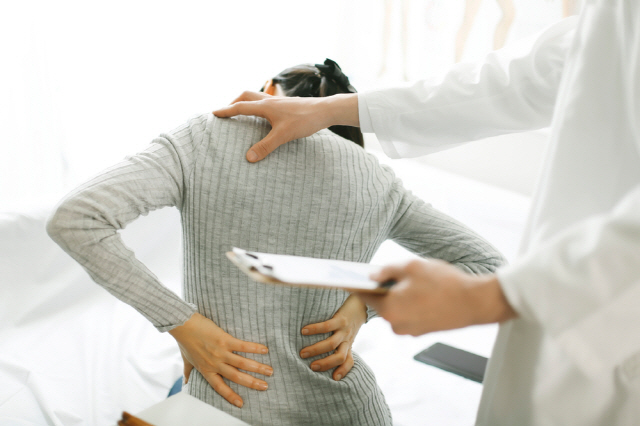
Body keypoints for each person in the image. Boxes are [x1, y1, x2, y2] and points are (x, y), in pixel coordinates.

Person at [212, 1, 640, 424]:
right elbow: (510, 79)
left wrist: (481, 298)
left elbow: (488, 264)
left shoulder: (378, 192)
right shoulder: (211, 166)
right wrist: (332, 109)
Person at [47, 60, 505, 426]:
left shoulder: (208, 135)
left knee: (170, 391)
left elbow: (77, 219)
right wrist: (365, 304)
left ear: (266, 93)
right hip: (351, 409)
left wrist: (183, 324)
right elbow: (488, 265)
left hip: (226, 402)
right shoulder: (377, 180)